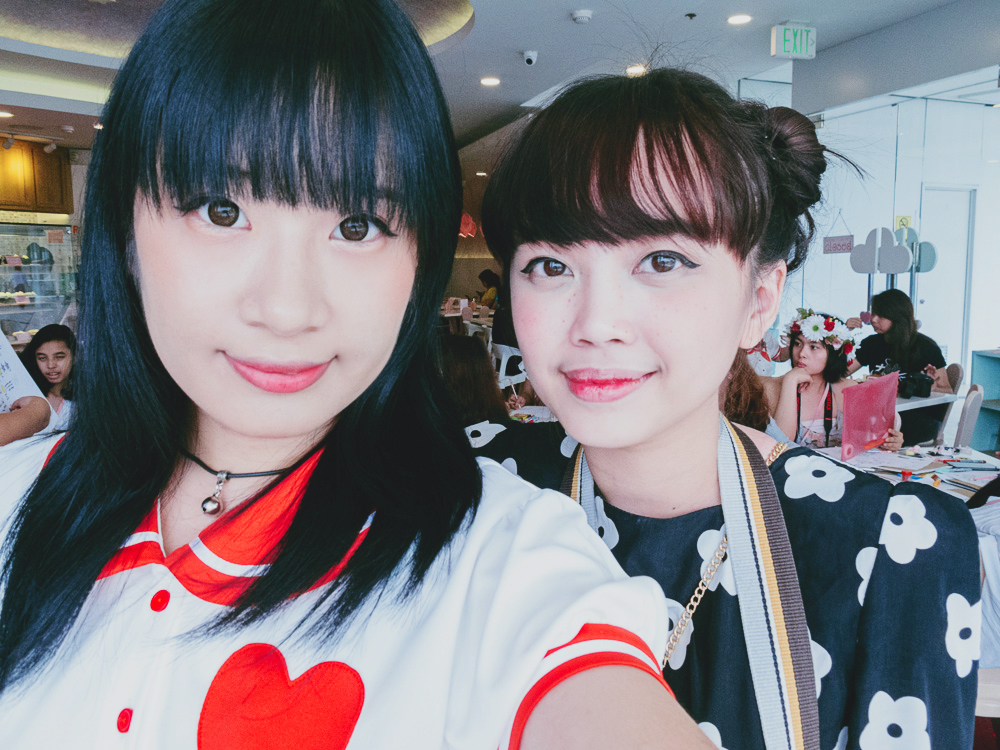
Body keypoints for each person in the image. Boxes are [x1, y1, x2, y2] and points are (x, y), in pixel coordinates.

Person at [0, 3, 714, 749]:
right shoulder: (15, 500)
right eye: (221, 210)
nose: (287, 308)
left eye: (356, 226)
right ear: (124, 230)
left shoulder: (497, 562)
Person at [479, 68, 980, 749]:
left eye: (662, 261)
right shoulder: (469, 487)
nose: (597, 324)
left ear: (760, 300)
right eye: (549, 265)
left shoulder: (892, 549)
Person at [761, 309, 903, 451]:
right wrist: (790, 381)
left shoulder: (849, 389)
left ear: (833, 353)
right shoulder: (772, 388)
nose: (802, 353)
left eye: (813, 347)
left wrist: (891, 442)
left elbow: (872, 441)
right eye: (798, 344)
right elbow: (780, 448)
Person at [846, 288, 951, 444]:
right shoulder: (872, 343)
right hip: (881, 415)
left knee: (869, 431)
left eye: (881, 315)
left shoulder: (926, 347)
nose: (874, 319)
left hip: (918, 418)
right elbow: (843, 371)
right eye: (873, 313)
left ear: (897, 317)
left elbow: (948, 391)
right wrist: (843, 333)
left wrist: (933, 388)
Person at [20, 324, 75, 432]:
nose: (50, 365)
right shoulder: (27, 395)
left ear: (74, 356)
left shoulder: (85, 396)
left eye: (59, 357)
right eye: (42, 358)